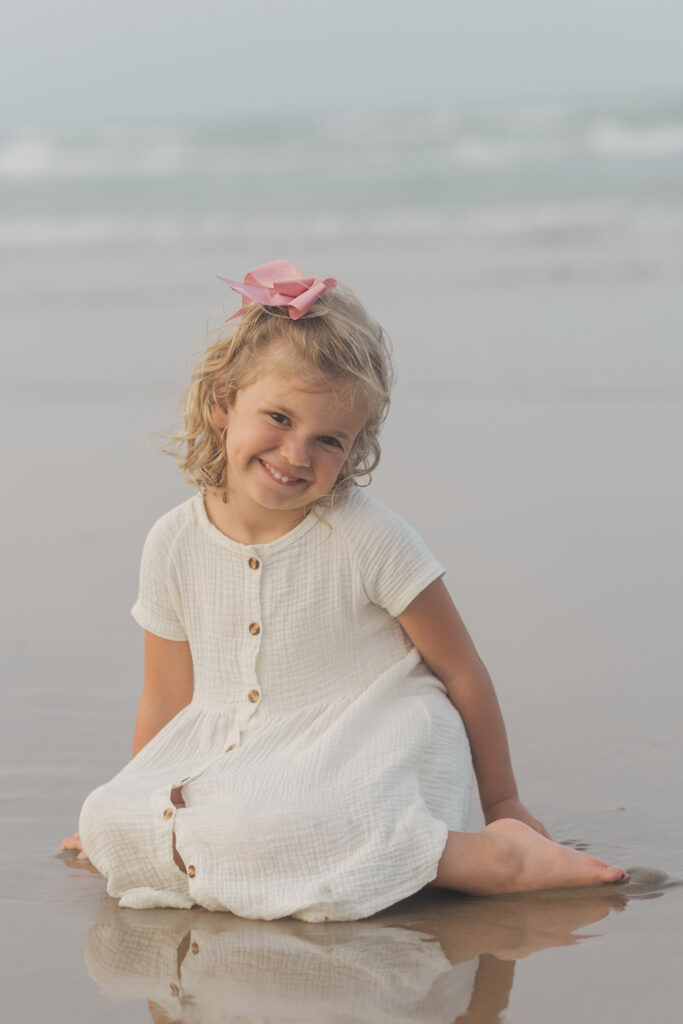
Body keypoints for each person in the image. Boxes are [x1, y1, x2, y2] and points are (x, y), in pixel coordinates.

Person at [61, 260, 627, 922]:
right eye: (277, 417)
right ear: (221, 403)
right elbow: (166, 696)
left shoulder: (365, 536)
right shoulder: (173, 542)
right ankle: (216, 838)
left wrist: (502, 804)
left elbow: (461, 670)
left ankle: (487, 858)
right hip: (245, 753)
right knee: (108, 815)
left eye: (327, 440)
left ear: (355, 449)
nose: (296, 453)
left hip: (372, 739)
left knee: (303, 817)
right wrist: (146, 802)